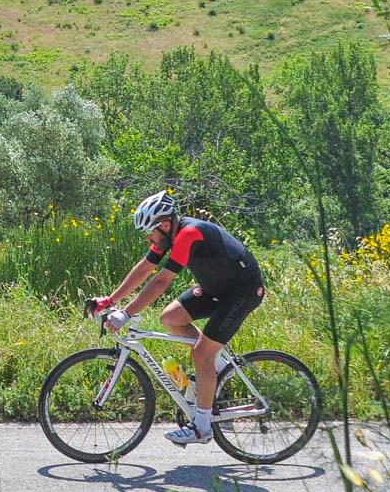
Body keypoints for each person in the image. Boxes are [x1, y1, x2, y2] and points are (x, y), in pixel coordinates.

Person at [90, 190, 267, 445]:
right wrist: (110, 300)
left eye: (150, 232)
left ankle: (202, 428)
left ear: (164, 225)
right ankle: (215, 371)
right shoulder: (168, 236)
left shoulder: (188, 234)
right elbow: (145, 268)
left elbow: (161, 281)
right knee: (170, 318)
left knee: (200, 354)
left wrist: (127, 313)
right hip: (216, 289)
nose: (149, 238)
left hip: (242, 292)